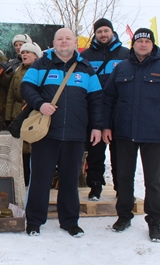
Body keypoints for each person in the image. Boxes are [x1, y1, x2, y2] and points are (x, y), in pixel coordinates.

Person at [102, 28, 160, 243]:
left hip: (153, 134)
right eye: (140, 41)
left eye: (147, 41)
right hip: (124, 133)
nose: (143, 44)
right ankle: (124, 216)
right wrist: (106, 127)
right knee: (123, 178)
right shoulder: (121, 69)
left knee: (153, 181)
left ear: (152, 44)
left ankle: (155, 221)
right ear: (134, 44)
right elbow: (108, 100)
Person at [21, 28, 103, 238]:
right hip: (46, 133)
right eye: (60, 39)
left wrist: (96, 126)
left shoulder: (86, 68)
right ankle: (34, 221)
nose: (64, 42)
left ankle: (69, 222)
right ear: (53, 42)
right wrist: (40, 104)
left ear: (75, 43)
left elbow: (96, 101)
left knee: (69, 180)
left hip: (75, 134)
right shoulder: (42, 64)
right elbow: (26, 87)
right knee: (40, 179)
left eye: (68, 39)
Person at [80, 18, 129, 200]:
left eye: (106, 31)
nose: (103, 34)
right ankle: (95, 186)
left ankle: (121, 188)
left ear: (112, 32)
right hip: (94, 109)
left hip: (119, 111)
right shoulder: (85, 56)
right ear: (95, 34)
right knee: (95, 152)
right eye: (99, 31)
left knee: (120, 154)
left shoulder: (125, 54)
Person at [5, 42, 43, 186]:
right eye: (23, 52)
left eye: (28, 52)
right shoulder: (19, 69)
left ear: (35, 55)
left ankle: (32, 180)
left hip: (32, 111)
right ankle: (22, 178)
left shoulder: (40, 70)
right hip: (17, 110)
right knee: (21, 146)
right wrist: (8, 116)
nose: (24, 55)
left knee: (31, 145)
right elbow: (10, 94)